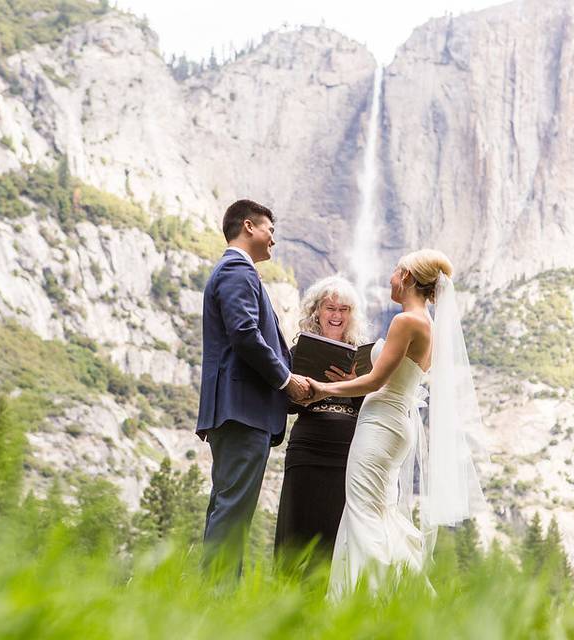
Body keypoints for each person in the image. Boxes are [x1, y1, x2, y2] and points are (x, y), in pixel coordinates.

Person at [303, 249, 485, 596]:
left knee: (363, 513)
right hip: (395, 424)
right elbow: (393, 377)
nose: (390, 277)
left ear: (408, 278)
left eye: (396, 271)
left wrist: (321, 388)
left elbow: (376, 383)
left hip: (379, 426)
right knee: (379, 513)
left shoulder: (406, 321)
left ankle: (365, 602)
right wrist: (353, 374)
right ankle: (405, 596)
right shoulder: (426, 325)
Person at [196, 199, 311, 573]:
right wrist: (285, 379)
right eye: (270, 231)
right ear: (248, 226)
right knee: (233, 508)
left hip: (239, 410)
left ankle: (221, 593)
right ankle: (217, 598)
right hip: (243, 410)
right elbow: (245, 334)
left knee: (230, 505)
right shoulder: (236, 270)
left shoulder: (236, 272)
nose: (273, 241)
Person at [274, 276, 369, 561]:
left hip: (347, 450)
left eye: (344, 309)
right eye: (330, 308)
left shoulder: (365, 358)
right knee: (298, 523)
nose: (336, 315)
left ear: (351, 315)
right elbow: (287, 404)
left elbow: (373, 408)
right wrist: (301, 388)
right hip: (307, 446)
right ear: (316, 311)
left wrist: (356, 383)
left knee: (336, 527)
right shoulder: (298, 351)